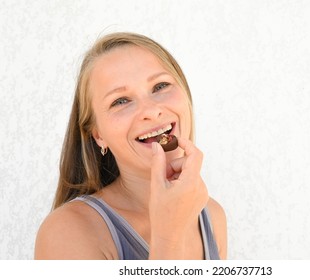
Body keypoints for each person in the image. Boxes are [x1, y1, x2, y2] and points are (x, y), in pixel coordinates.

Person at [34, 32, 227, 260]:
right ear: (98, 135)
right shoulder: (67, 232)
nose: (151, 110)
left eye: (160, 85)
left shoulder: (212, 216)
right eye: (121, 101)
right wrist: (170, 234)